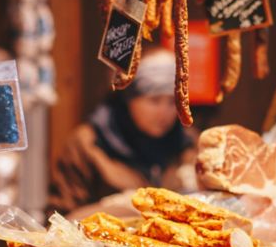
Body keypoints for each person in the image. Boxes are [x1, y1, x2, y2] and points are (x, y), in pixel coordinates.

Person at [49, 48, 195, 217]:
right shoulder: (86, 145)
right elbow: (57, 223)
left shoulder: (188, 144)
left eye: (172, 102)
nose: (165, 112)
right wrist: (117, 207)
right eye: (154, 101)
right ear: (129, 99)